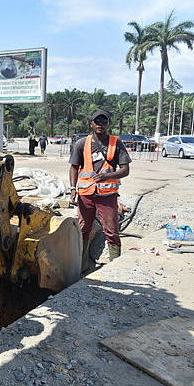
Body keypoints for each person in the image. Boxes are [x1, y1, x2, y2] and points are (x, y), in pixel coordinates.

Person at [69, 110, 131, 272]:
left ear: (108, 124)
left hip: (107, 196)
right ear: (91, 124)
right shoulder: (82, 143)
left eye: (104, 122)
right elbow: (74, 167)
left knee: (111, 231)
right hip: (86, 195)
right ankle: (81, 268)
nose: (100, 125)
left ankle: (115, 269)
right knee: (83, 230)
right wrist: (72, 189)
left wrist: (107, 176)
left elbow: (125, 170)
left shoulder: (116, 143)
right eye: (97, 121)